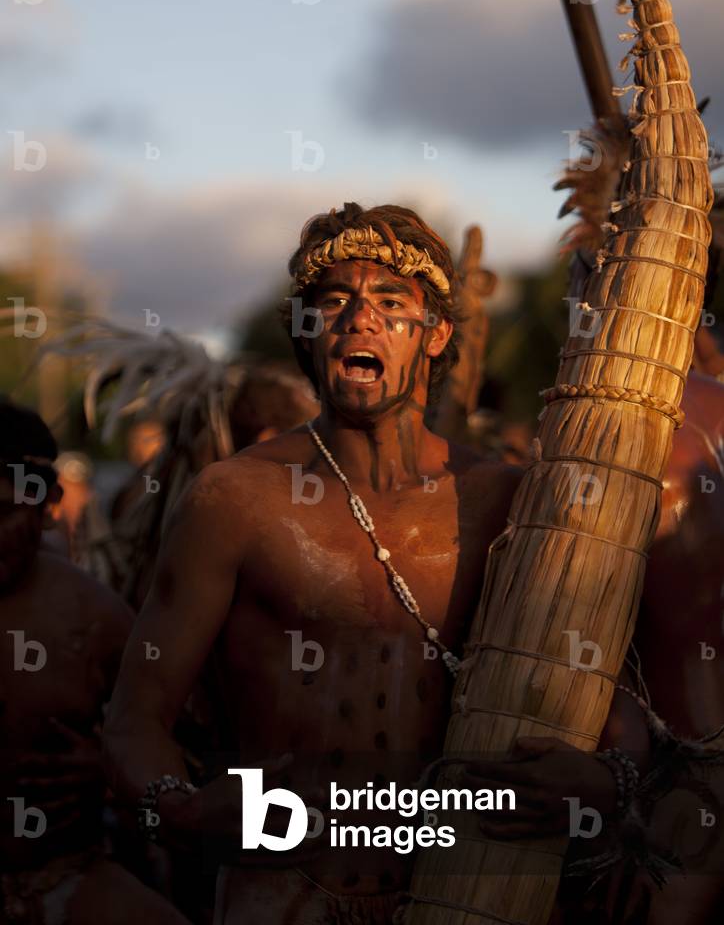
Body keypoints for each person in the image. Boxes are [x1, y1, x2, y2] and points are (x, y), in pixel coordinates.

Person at [104, 203, 648, 925]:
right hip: (284, 897)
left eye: (392, 303)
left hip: (471, 897)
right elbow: (134, 718)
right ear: (308, 333)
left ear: (436, 335)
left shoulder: (509, 501)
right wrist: (183, 809)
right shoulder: (235, 501)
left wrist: (607, 785)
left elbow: (622, 714)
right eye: (334, 303)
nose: (360, 320)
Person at [0, 401, 190, 925]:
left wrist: (114, 770)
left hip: (67, 879)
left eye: (2, 512)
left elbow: (183, 748)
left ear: (49, 504)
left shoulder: (97, 617)